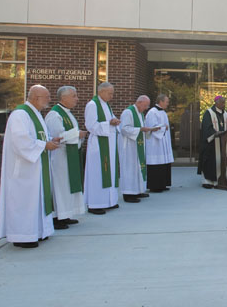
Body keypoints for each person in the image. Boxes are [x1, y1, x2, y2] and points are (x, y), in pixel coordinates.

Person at [0, 85, 62, 248]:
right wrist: (44, 145)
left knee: (37, 201)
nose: (49, 99)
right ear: (35, 98)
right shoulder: (20, 114)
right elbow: (21, 141)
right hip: (24, 170)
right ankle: (22, 236)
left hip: (36, 168)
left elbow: (38, 137)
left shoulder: (36, 114)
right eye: (46, 97)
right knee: (24, 202)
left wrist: (50, 140)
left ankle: (39, 231)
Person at [44, 86, 87, 229]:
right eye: (74, 96)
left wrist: (78, 135)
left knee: (67, 185)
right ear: (63, 98)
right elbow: (57, 136)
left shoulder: (67, 114)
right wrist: (77, 134)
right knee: (60, 186)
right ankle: (57, 217)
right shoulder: (54, 115)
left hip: (69, 155)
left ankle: (66, 214)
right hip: (59, 157)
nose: (77, 99)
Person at [85, 82, 121, 214]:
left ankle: (109, 201)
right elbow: (91, 125)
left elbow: (110, 121)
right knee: (98, 174)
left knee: (110, 173)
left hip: (109, 144)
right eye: (110, 93)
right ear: (101, 92)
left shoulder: (106, 105)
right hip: (99, 146)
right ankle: (95, 204)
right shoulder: (92, 105)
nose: (112, 96)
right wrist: (109, 123)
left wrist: (115, 121)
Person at [198, 95, 227, 189]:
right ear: (216, 103)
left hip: (224, 143)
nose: (223, 104)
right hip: (212, 144)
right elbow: (207, 128)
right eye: (222, 103)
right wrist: (216, 133)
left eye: (224, 103)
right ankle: (208, 182)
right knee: (211, 162)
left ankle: (223, 180)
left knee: (224, 159)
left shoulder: (226, 114)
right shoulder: (208, 113)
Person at [119, 95, 155, 203]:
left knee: (138, 168)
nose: (146, 108)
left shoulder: (140, 114)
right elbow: (124, 129)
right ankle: (128, 194)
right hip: (129, 147)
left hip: (138, 146)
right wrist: (140, 129)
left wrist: (149, 130)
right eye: (145, 105)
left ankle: (138, 190)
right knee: (130, 169)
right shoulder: (128, 112)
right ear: (139, 102)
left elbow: (141, 128)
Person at [145, 93, 173, 193]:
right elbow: (152, 127)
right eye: (166, 102)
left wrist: (164, 127)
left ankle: (162, 184)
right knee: (156, 163)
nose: (167, 104)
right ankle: (155, 186)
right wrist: (163, 127)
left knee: (163, 163)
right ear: (160, 101)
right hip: (155, 143)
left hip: (163, 142)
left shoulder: (163, 112)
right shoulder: (152, 112)